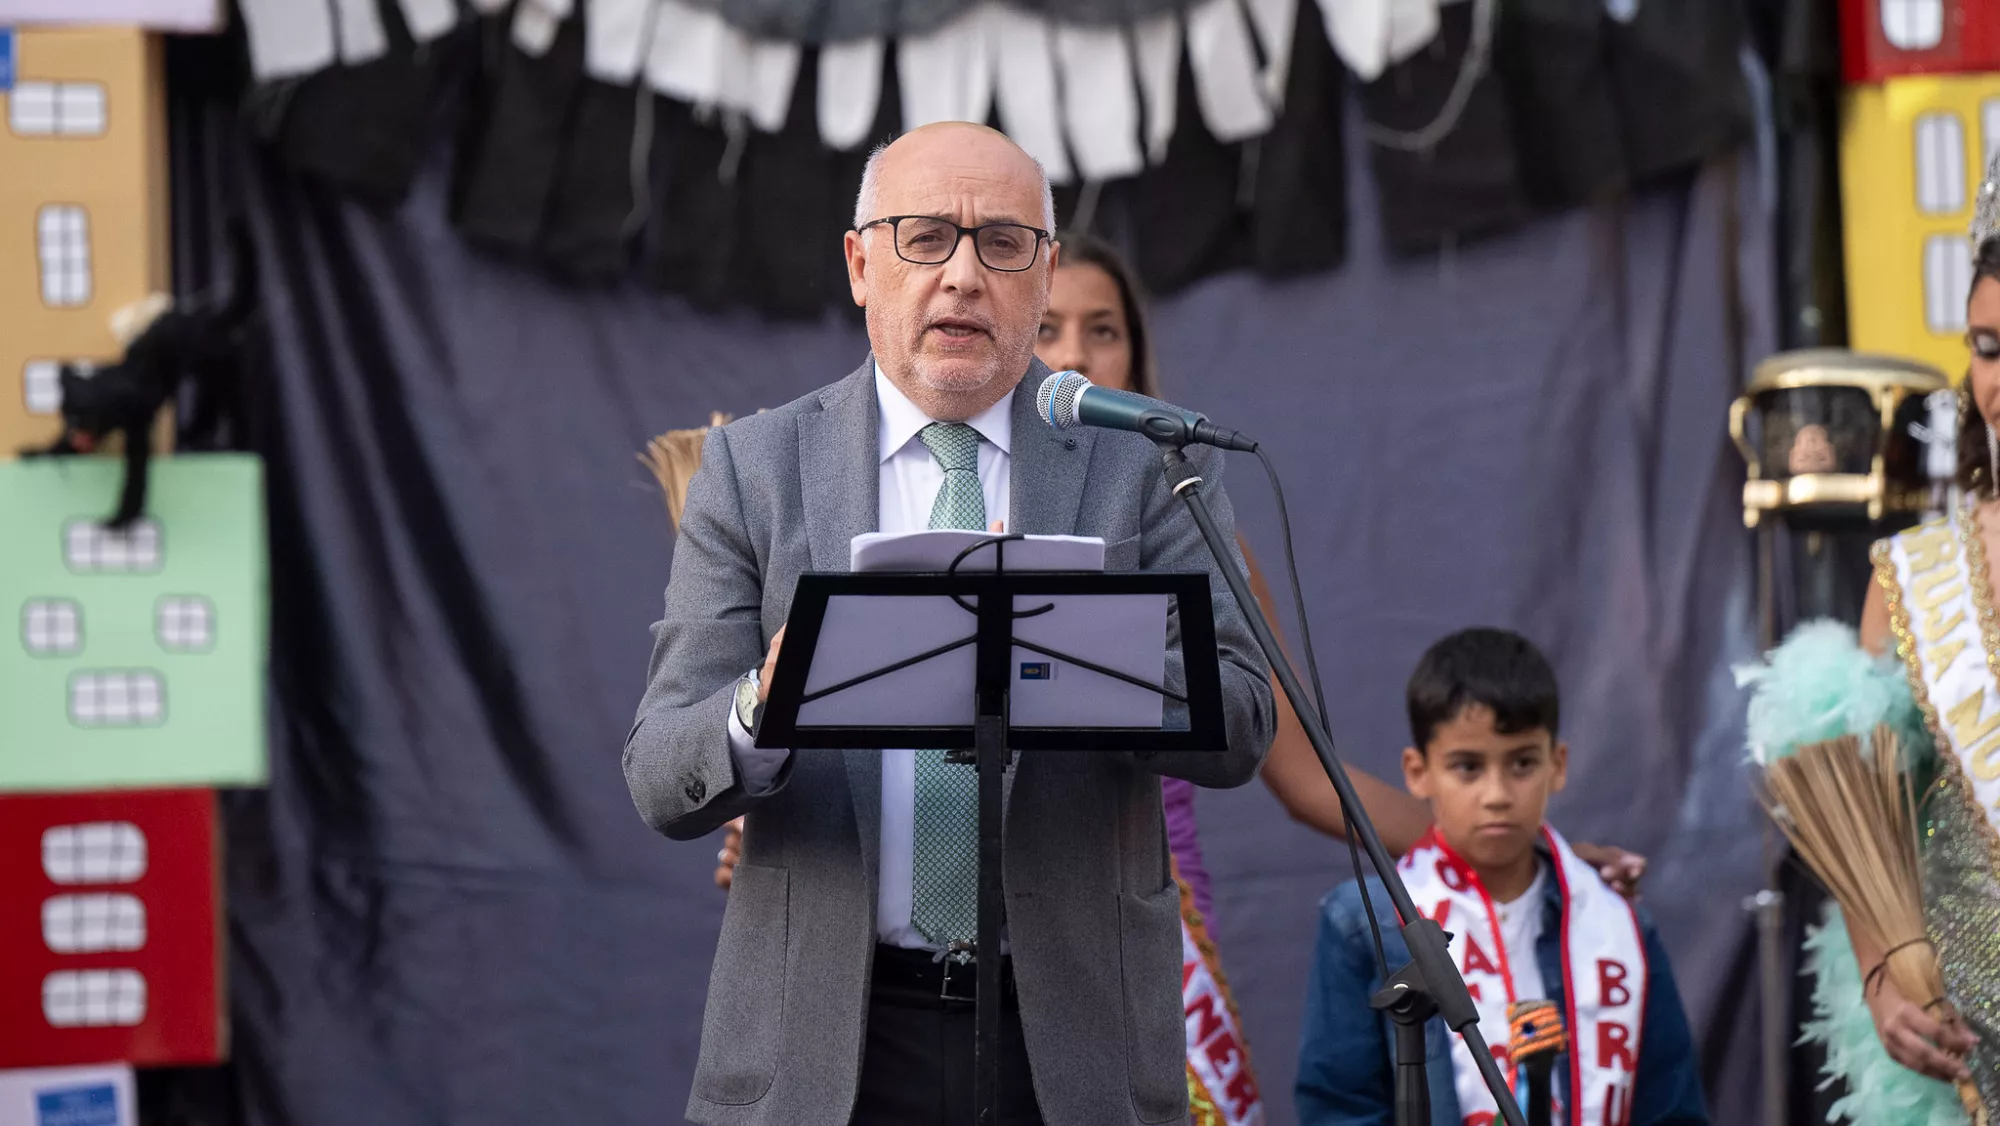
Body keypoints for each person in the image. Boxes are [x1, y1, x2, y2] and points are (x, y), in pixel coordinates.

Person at [622, 122, 1275, 1126]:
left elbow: (1240, 722)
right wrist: (770, 699)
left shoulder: (1143, 463)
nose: (963, 275)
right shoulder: (754, 470)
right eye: (925, 236)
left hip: (1070, 1040)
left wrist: (1098, 655)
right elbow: (663, 776)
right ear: (858, 263)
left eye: (1002, 242)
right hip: (824, 1043)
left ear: (1043, 274)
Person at [1294, 628, 1707, 1125]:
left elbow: (1669, 1107)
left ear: (1558, 765)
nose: (1497, 794)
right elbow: (1340, 1108)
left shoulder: (1616, 920)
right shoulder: (1368, 922)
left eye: (1522, 764)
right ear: (1418, 771)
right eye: (1467, 767)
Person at [1839, 156, 2000, 1112]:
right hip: (1970, 1069)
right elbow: (1861, 810)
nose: (1999, 381)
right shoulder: (1910, 580)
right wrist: (1878, 974)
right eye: (1986, 345)